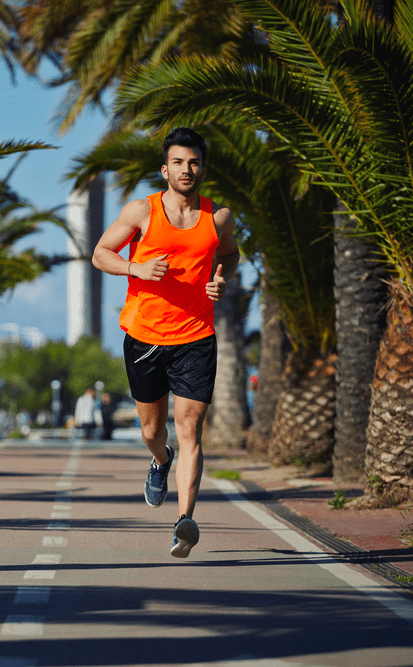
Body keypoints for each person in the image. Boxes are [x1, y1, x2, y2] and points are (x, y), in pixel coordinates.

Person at [92, 127, 239, 558]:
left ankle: (184, 522)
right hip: (144, 337)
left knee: (191, 428)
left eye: (193, 162)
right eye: (178, 162)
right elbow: (101, 253)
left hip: (196, 337)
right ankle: (160, 461)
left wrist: (220, 278)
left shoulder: (218, 217)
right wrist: (134, 270)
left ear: (203, 169)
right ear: (165, 169)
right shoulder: (142, 211)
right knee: (153, 431)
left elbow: (228, 254)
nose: (186, 169)